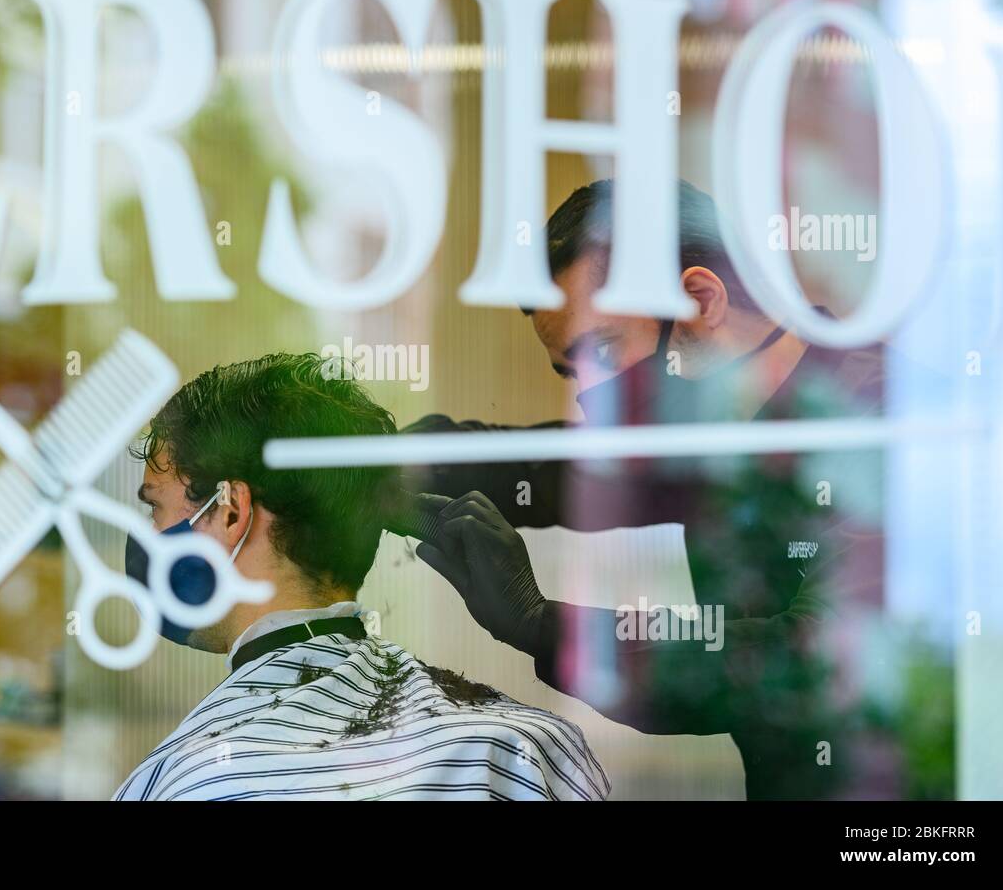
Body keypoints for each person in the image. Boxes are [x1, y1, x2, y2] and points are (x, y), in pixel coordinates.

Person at [404, 179, 919, 799]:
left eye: (602, 350)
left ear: (701, 301)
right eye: (573, 372)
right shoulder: (714, 426)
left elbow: (812, 667)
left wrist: (550, 627)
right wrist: (386, 460)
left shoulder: (886, 421)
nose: (590, 400)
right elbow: (551, 468)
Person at [113, 353, 609, 801]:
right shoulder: (524, 753)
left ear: (230, 512)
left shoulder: (187, 779)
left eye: (155, 507)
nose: (148, 535)